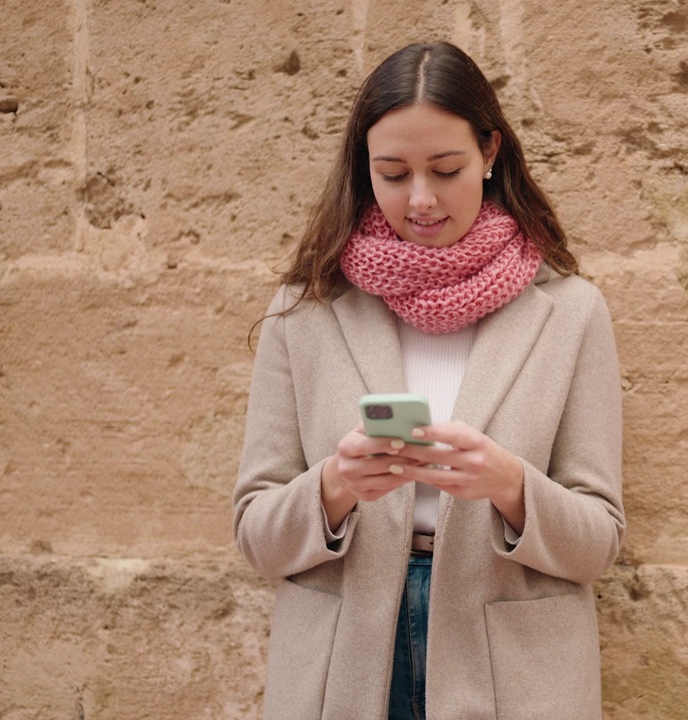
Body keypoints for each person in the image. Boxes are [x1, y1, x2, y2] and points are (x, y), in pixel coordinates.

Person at [233, 41, 624, 720]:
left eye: (446, 169)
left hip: (513, 670)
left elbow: (599, 542)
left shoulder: (569, 310)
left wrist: (510, 486)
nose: (420, 199)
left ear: (491, 153)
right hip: (344, 662)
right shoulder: (308, 310)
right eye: (392, 173)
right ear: (364, 170)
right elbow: (255, 535)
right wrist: (335, 486)